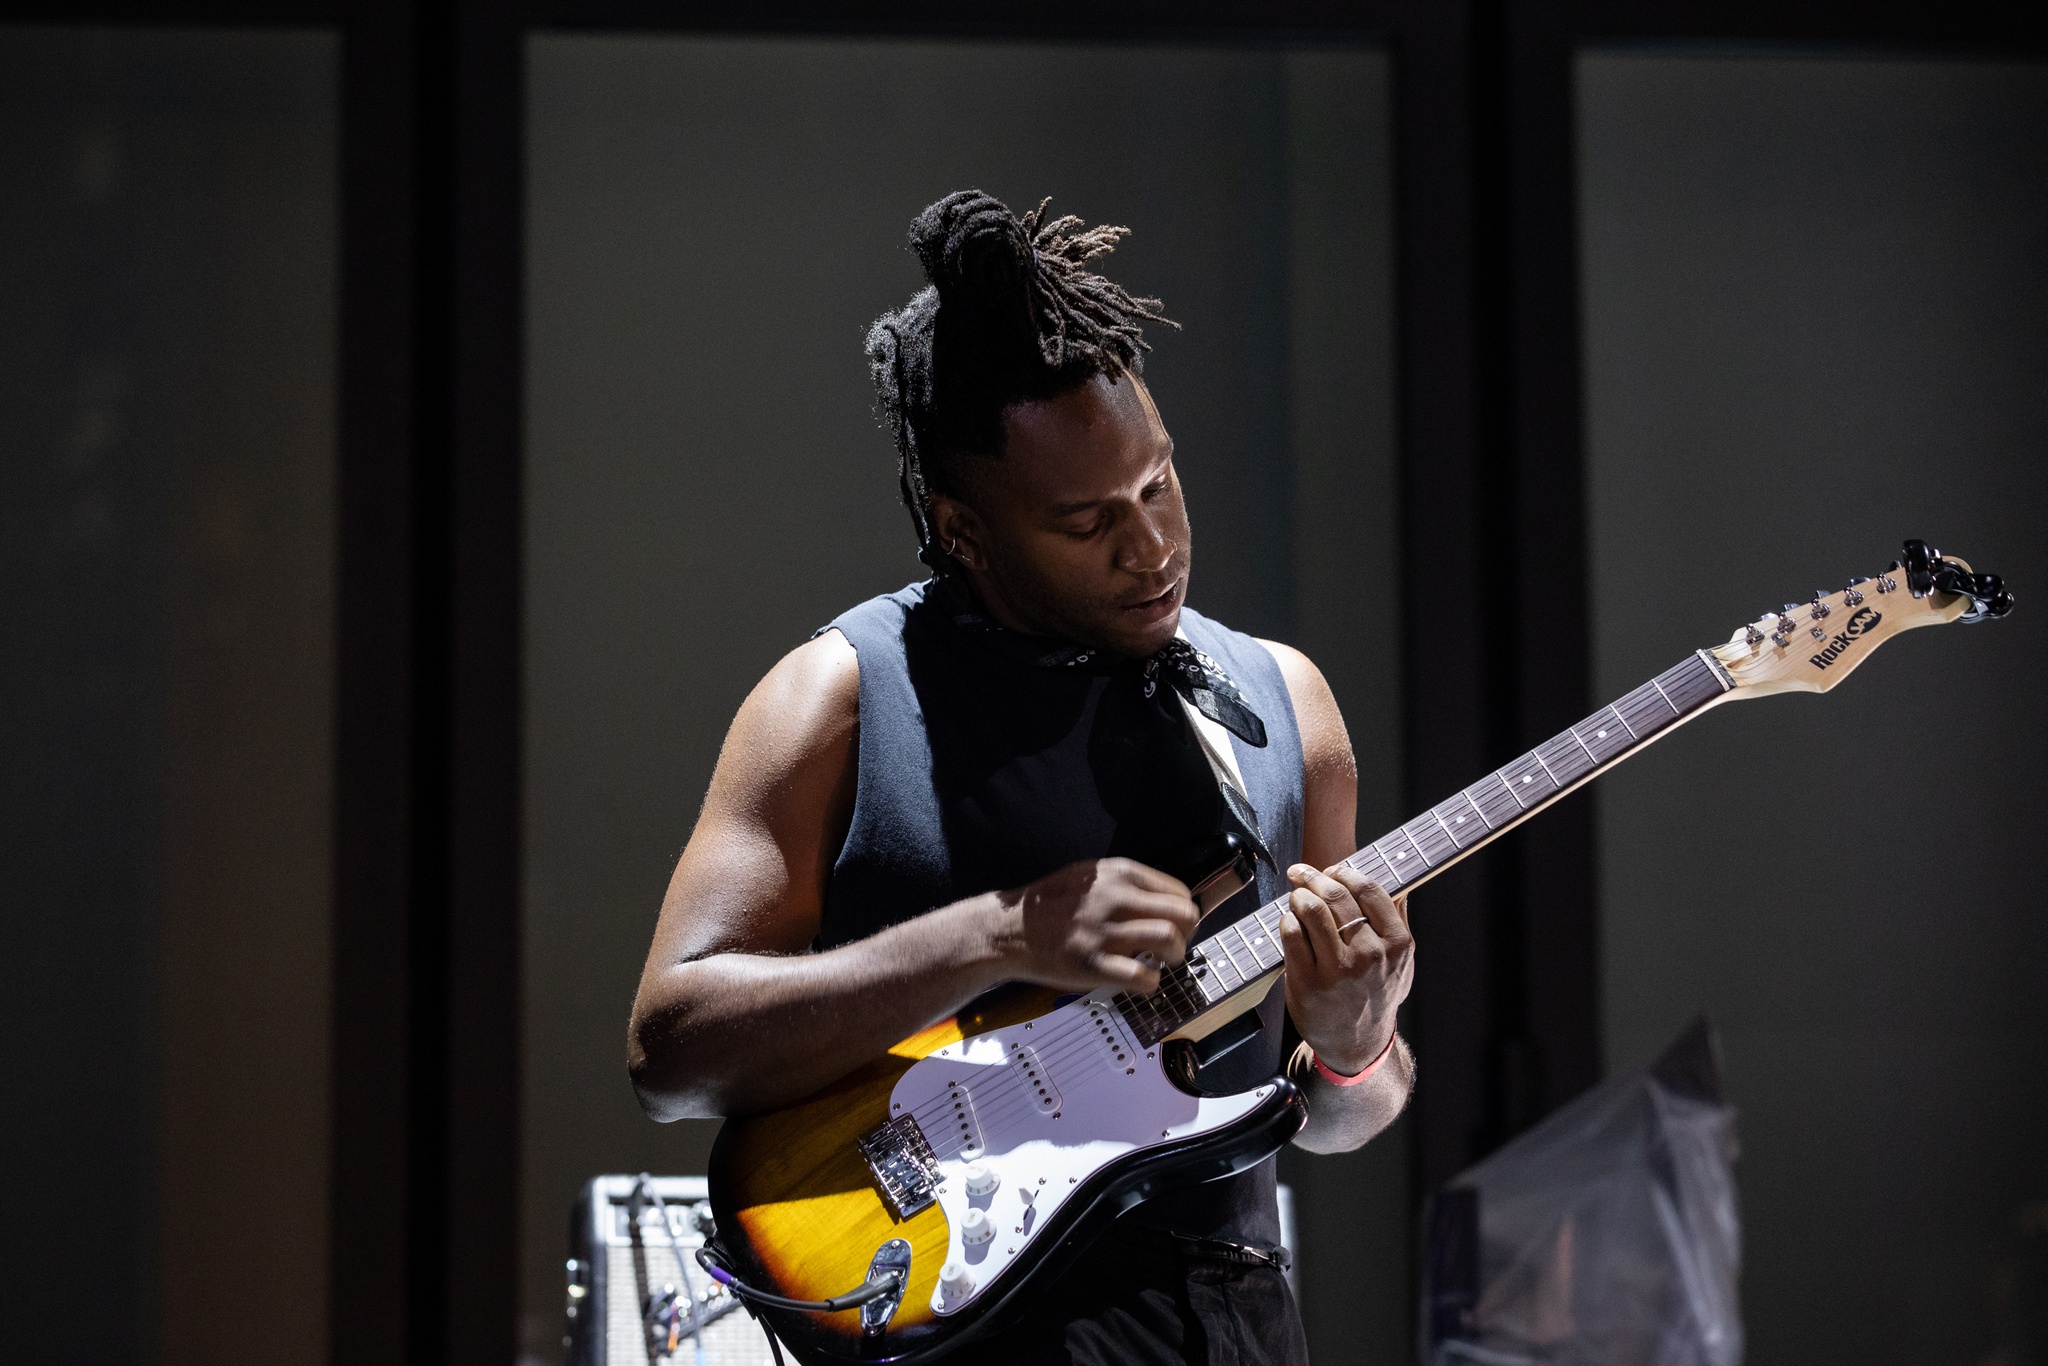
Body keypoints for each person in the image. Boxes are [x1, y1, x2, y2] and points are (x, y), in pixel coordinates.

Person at [628, 190, 1415, 1365]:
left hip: (1230, 1326)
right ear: (962, 528)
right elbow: (670, 1051)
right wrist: (1001, 934)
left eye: (1157, 486)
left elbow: (1341, 1117)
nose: (1149, 547)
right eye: (1085, 519)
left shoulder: (1280, 702)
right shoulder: (838, 697)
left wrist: (1355, 1039)